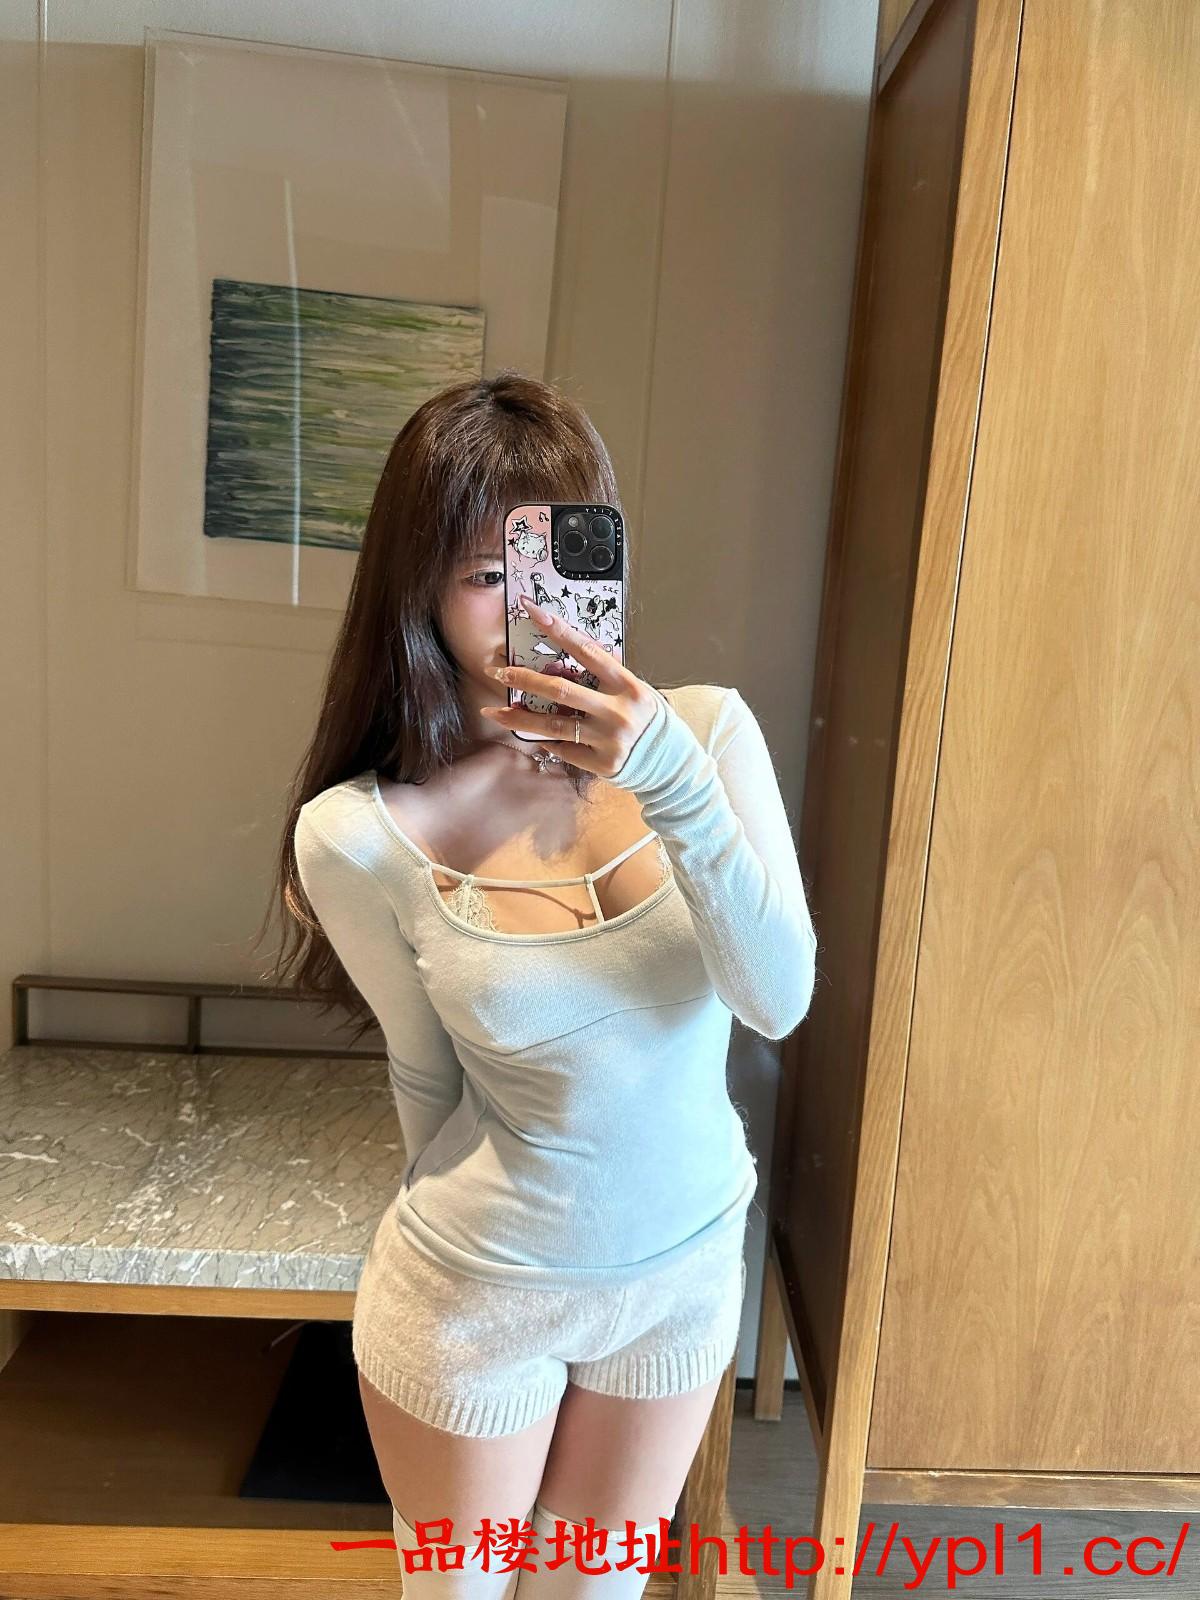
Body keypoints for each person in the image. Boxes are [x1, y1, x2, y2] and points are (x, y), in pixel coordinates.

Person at [264, 371, 818, 1599]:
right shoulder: (360, 834)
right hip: (481, 1294)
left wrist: (664, 772)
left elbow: (775, 997)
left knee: (592, 1592)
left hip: (679, 1280)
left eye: (558, 561)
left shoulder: (708, 737)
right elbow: (424, 1073)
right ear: (417, 591)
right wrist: (526, 1241)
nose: (532, 606)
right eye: (484, 571)